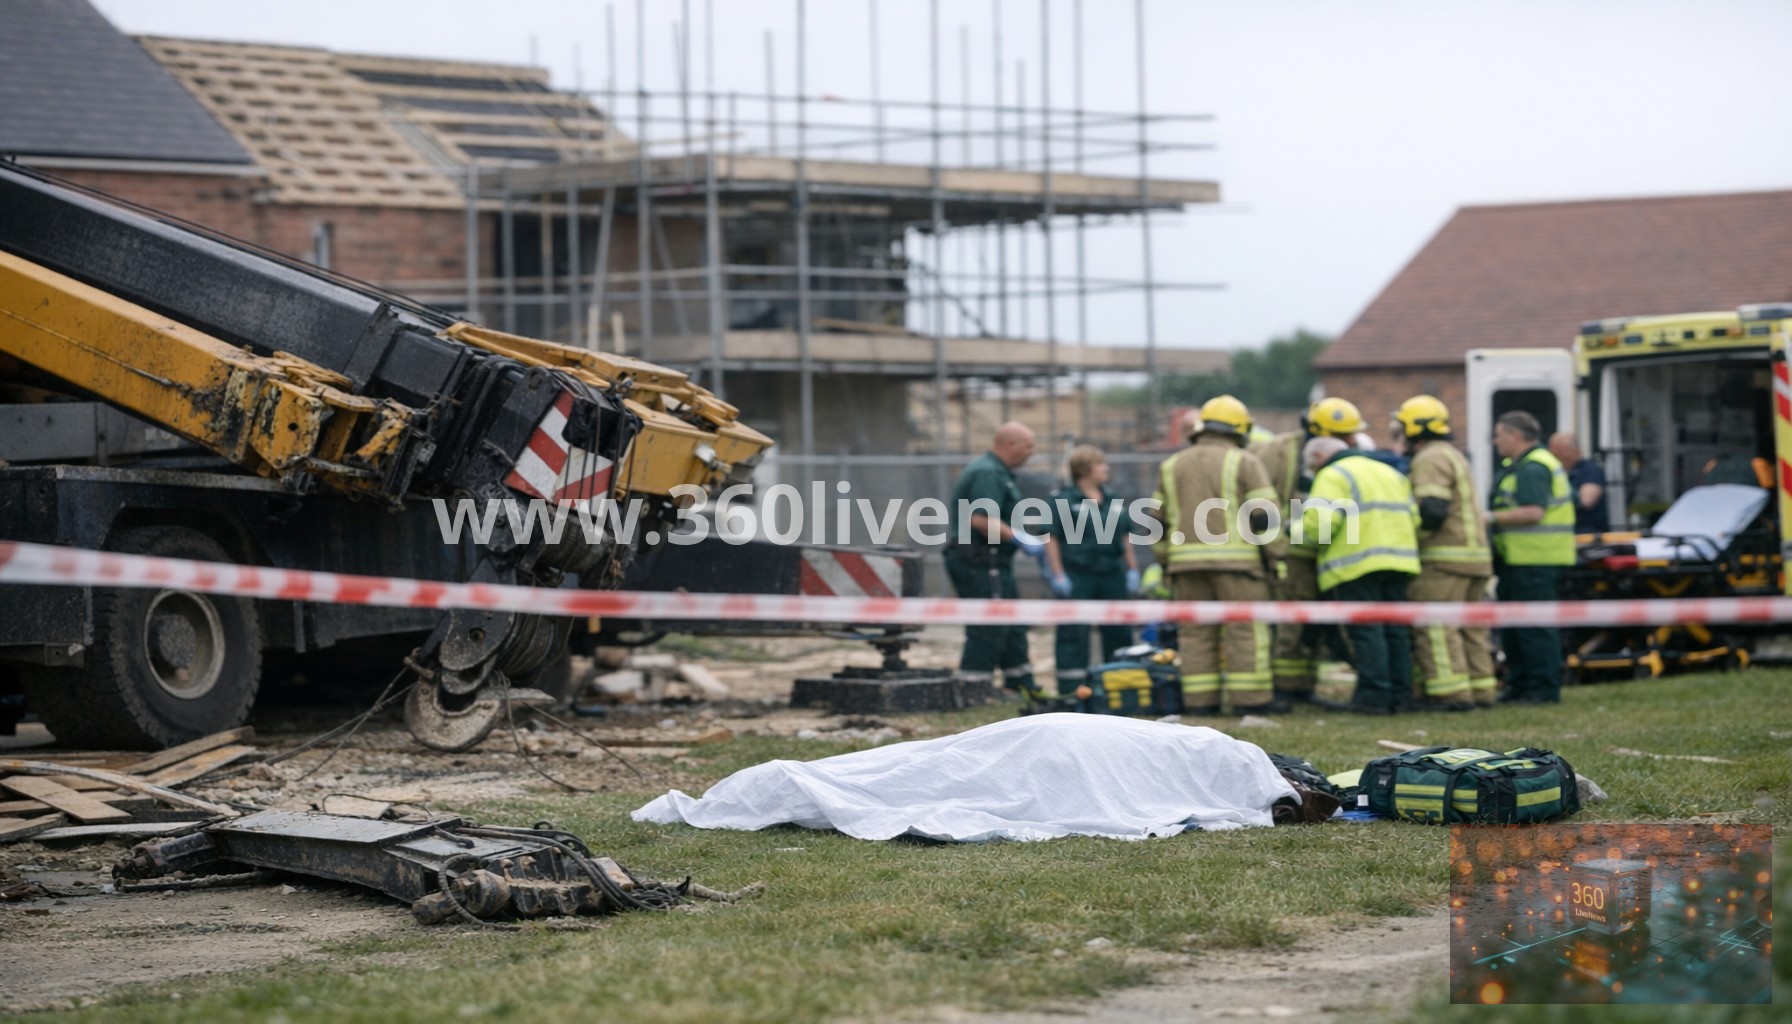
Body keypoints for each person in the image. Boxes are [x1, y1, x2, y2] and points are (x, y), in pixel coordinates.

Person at [1150, 395, 1280, 715]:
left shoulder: (1171, 465)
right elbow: (1264, 516)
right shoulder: (1245, 461)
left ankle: (1200, 702)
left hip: (1185, 567)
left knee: (1195, 634)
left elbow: (1154, 521)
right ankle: (1250, 702)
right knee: (1245, 630)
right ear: (1240, 429)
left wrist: (1165, 561)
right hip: (1238, 565)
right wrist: (1277, 556)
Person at [1250, 396, 1364, 704]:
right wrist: (1276, 547)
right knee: (1293, 621)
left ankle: (1303, 683)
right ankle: (1290, 688)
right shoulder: (1279, 452)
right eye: (1342, 436)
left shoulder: (1338, 458)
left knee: (1313, 624)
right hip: (1293, 550)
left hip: (1328, 551)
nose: (1349, 442)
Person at [1302, 435, 1421, 715]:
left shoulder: (1333, 474)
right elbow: (1415, 518)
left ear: (1319, 457)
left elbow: (1321, 526)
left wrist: (1292, 531)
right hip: (1400, 561)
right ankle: (1401, 694)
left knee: (1367, 631)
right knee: (1395, 631)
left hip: (1356, 564)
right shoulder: (1389, 472)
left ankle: (1374, 696)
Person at [1394, 396, 1495, 711]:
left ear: (1414, 428)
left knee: (1437, 628)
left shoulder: (1430, 457)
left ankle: (1451, 695)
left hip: (1444, 560)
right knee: (1472, 629)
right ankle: (1482, 690)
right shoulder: (1453, 454)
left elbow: (1433, 510)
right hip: (1474, 558)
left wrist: (1409, 537)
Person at [945, 421, 1047, 699]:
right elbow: (980, 519)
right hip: (978, 561)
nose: (1031, 452)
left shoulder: (1000, 473)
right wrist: (1019, 537)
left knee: (1012, 622)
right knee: (988, 625)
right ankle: (973, 689)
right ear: (1010, 444)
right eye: (1028, 446)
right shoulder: (987, 472)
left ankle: (1021, 685)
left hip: (994, 562)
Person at [1490, 411, 1575, 704]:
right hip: (1519, 560)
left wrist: (1489, 517)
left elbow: (1533, 512)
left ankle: (1541, 688)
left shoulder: (1534, 467)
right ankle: (1520, 684)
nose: (1495, 441)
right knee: (1515, 628)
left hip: (1536, 560)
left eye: (1499, 434)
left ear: (1515, 435)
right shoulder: (1521, 465)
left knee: (1534, 628)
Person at [1044, 445, 1139, 694]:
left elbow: (1125, 537)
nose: (1105, 468)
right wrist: (1058, 574)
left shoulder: (1113, 499)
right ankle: (1071, 688)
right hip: (1078, 574)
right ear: (1084, 469)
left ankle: (1119, 686)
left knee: (1119, 630)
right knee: (1073, 631)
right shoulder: (1063, 500)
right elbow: (1051, 538)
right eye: (1099, 464)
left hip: (1112, 574)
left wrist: (1132, 569)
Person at [1547, 432, 1608, 534]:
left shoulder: (1590, 470)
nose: (1555, 455)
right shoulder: (1556, 471)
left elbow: (1587, 501)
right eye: (1553, 451)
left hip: (1587, 532)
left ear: (1575, 450)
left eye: (1560, 450)